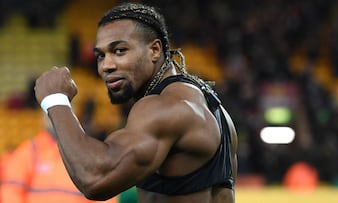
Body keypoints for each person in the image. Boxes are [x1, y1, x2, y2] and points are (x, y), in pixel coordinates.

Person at [34, 2, 238, 203]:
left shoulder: (163, 106)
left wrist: (55, 100)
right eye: (100, 56)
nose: (106, 66)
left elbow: (95, 178)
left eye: (120, 50)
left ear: (155, 50)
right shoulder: (212, 107)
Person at [0, 113, 118, 203]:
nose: (54, 114)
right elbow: (10, 192)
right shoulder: (29, 151)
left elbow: (106, 196)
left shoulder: (90, 151)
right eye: (48, 109)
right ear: (42, 117)